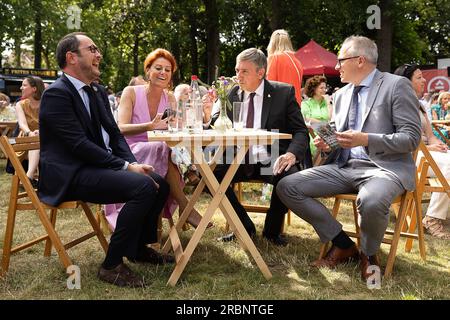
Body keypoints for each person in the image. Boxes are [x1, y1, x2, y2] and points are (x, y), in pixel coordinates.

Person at [276, 36, 421, 280]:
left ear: (360, 60)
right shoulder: (341, 94)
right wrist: (327, 142)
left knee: (371, 200)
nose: (336, 67)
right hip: (343, 166)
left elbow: (411, 138)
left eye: (341, 60)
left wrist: (366, 139)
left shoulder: (396, 85)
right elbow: (339, 136)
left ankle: (369, 254)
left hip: (383, 169)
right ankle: (342, 243)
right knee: (287, 186)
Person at [39, 32, 174, 288]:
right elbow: (79, 145)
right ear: (71, 57)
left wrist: (132, 163)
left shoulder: (97, 91)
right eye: (92, 49)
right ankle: (111, 265)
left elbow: (115, 134)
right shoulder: (57, 94)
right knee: (143, 187)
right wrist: (125, 167)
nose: (99, 55)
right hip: (71, 174)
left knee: (160, 184)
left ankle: (137, 249)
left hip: (96, 167)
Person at [203, 48, 310, 246]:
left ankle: (272, 231)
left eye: (244, 71)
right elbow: (217, 125)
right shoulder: (231, 93)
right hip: (238, 158)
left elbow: (301, 131)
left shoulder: (282, 92)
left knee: (287, 176)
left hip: (271, 156)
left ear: (260, 73)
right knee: (209, 176)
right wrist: (209, 113)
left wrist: (291, 154)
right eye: (237, 70)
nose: (238, 76)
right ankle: (244, 226)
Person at [109, 48, 209, 230]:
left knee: (166, 148)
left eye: (168, 70)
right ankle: (186, 206)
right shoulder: (130, 92)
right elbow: (120, 128)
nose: (163, 73)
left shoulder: (170, 97)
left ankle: (185, 204)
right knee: (164, 149)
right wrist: (149, 125)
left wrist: (185, 119)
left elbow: (176, 127)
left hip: (162, 150)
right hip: (130, 151)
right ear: (148, 70)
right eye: (158, 68)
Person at [394, 64, 450, 239]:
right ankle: (432, 218)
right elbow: (400, 138)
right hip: (410, 155)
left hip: (428, 153)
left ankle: (438, 215)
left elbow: (431, 135)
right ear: (405, 82)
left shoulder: (420, 106)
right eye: (418, 77)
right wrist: (427, 148)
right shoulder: (397, 104)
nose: (424, 80)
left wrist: (439, 144)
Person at [14, 76, 45, 187]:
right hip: (26, 138)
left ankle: (28, 178)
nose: (21, 87)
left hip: (45, 137)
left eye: (24, 85)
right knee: (34, 141)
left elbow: (51, 122)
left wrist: (41, 131)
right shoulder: (20, 104)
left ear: (34, 89)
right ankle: (30, 176)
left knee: (37, 140)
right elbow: (22, 124)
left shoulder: (46, 102)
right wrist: (29, 133)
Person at [266, 29, 304, 105]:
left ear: (272, 43)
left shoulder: (274, 58)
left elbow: (269, 86)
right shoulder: (297, 62)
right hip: (295, 105)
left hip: (279, 106)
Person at [301, 75, 332, 156]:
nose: (324, 90)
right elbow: (307, 119)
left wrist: (329, 103)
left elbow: (331, 118)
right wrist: (324, 124)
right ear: (314, 89)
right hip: (313, 133)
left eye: (325, 88)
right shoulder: (306, 103)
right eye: (321, 88)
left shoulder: (327, 102)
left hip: (328, 133)